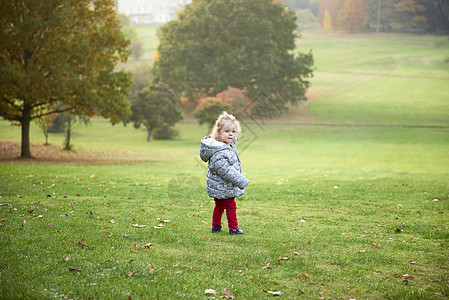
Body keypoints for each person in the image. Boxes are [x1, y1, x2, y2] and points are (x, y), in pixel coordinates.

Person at [200, 111, 249, 235]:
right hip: (223, 185)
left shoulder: (226, 145)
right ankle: (233, 228)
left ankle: (216, 226)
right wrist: (240, 180)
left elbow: (233, 139)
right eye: (227, 131)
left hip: (221, 185)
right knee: (231, 206)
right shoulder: (219, 152)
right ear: (218, 133)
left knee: (220, 205)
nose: (231, 134)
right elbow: (225, 170)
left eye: (233, 131)